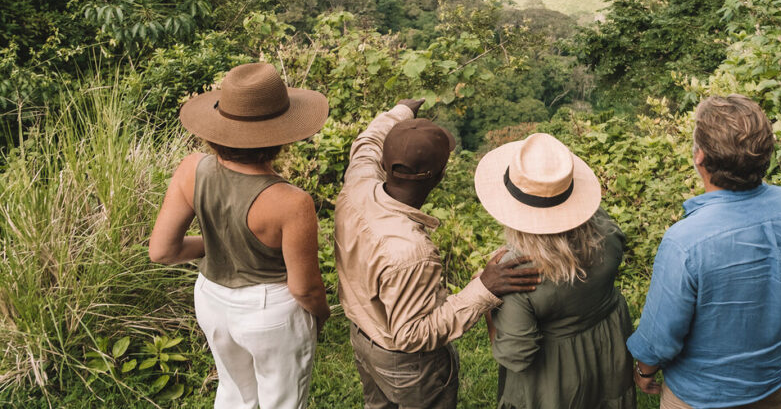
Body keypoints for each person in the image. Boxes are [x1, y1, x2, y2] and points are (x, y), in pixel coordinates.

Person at [627, 94, 781, 409]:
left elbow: (661, 337)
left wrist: (645, 370)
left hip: (706, 395)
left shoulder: (686, 242)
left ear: (699, 156)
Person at [334, 98, 541, 409]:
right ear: (439, 175)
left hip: (364, 338)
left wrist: (401, 112)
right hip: (406, 366)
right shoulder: (412, 251)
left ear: (386, 163)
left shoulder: (357, 183)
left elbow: (368, 141)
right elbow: (411, 334)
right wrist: (482, 290)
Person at [149, 62, 331, 409]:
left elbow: (162, 251)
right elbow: (304, 287)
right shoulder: (292, 202)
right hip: (270, 311)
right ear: (280, 134)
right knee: (282, 400)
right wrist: (320, 315)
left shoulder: (191, 169)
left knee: (233, 393)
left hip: (212, 299)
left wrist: (221, 242)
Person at [475, 132, 636, 409]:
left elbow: (516, 354)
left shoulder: (515, 274)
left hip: (554, 381)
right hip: (608, 354)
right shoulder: (605, 232)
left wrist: (489, 305)